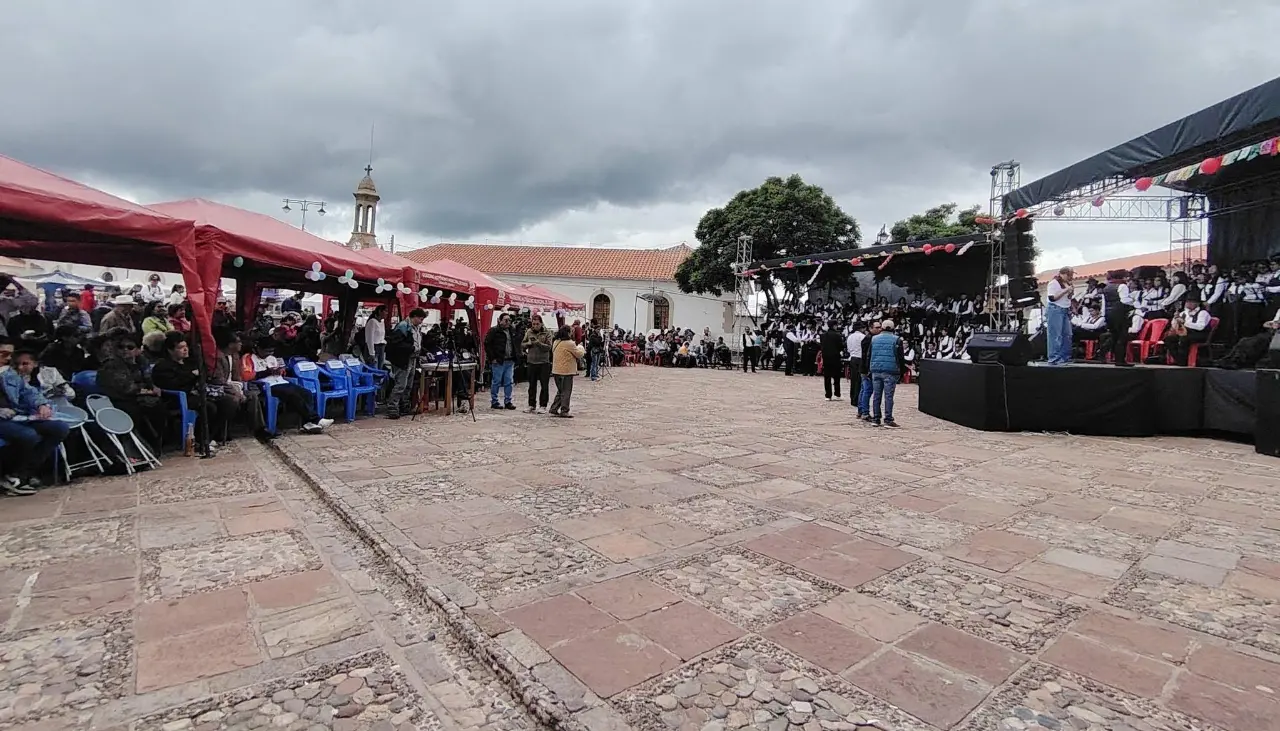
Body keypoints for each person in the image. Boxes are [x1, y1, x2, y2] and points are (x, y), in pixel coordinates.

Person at [0, 343, 71, 494]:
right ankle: (8, 474)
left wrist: (42, 405)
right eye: (3, 354)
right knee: (28, 436)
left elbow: (29, 392)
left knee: (59, 428)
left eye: (9, 355)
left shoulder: (8, 374)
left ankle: (21, 475)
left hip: (15, 416)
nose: (7, 358)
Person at [242, 338, 332, 435]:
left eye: (271, 351)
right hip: (265, 385)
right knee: (292, 394)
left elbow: (281, 371)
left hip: (280, 382)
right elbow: (246, 376)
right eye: (267, 351)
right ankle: (316, 419)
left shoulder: (272, 358)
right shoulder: (248, 358)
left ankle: (308, 423)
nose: (269, 353)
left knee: (306, 393)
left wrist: (281, 371)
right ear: (258, 348)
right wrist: (267, 372)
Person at [384, 308, 425, 419]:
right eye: (420, 319)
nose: (421, 321)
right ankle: (392, 408)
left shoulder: (416, 328)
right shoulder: (403, 326)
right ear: (415, 317)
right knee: (400, 385)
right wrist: (411, 348)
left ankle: (404, 407)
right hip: (402, 360)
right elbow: (396, 344)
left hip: (412, 359)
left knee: (408, 385)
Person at [867, 319, 905, 428]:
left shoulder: (874, 339)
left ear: (882, 327)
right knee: (888, 396)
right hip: (890, 370)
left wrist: (869, 368)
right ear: (893, 328)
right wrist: (901, 371)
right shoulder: (897, 340)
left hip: (876, 369)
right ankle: (888, 419)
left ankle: (876, 418)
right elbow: (900, 357)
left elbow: (869, 355)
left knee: (876, 395)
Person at [1160, 294, 1212, 366]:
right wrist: (1175, 319)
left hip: (1199, 334)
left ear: (1197, 303)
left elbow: (1200, 327)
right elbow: (1174, 326)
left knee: (1184, 339)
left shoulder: (1203, 313)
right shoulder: (1184, 313)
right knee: (1169, 339)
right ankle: (1179, 359)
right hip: (1184, 333)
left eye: (1191, 302)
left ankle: (1182, 361)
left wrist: (1184, 322)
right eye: (1187, 302)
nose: (1188, 304)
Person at [549, 325, 585, 418]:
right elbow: (579, 354)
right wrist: (581, 347)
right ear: (568, 333)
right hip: (566, 371)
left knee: (561, 391)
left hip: (556, 370)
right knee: (566, 391)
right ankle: (564, 410)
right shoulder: (570, 343)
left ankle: (554, 408)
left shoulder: (556, 341)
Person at [484, 313, 518, 410]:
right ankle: (494, 401)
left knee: (509, 382)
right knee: (496, 382)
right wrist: (492, 358)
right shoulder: (494, 331)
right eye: (506, 320)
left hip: (509, 360)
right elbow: (487, 344)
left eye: (509, 320)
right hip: (499, 360)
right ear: (500, 320)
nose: (508, 322)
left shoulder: (511, 331)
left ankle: (508, 401)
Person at [522, 316, 552, 413]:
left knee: (544, 385)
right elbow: (522, 344)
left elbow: (549, 347)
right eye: (533, 324)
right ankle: (531, 405)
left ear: (541, 323)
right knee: (532, 385)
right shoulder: (529, 332)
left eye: (537, 324)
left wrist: (538, 343)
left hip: (544, 363)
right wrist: (528, 344)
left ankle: (543, 405)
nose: (535, 326)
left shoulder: (547, 333)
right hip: (531, 362)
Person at [1045, 267, 1074, 365]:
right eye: (1070, 275)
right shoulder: (1054, 283)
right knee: (1055, 335)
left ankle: (1064, 357)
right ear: (1064, 274)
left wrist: (1070, 293)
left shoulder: (1067, 284)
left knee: (1067, 334)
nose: (1071, 277)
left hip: (1065, 309)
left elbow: (1068, 298)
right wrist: (1066, 290)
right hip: (1055, 309)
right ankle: (1054, 358)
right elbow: (1052, 298)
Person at [819, 325, 845, 401]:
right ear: (834, 326)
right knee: (836, 376)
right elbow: (841, 346)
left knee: (827, 377)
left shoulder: (823, 335)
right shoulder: (837, 335)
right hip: (835, 357)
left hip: (826, 357)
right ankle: (837, 394)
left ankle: (828, 395)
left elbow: (822, 346)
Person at [845, 322, 866, 408]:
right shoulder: (863, 337)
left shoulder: (850, 337)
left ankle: (852, 398)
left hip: (852, 358)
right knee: (859, 380)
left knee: (853, 379)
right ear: (861, 328)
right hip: (860, 358)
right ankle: (857, 399)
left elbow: (849, 349)